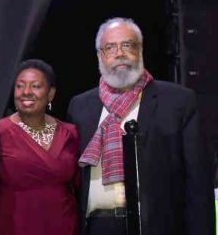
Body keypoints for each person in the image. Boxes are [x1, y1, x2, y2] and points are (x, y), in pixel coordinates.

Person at [66, 17, 215, 235]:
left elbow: (198, 185)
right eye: (110, 47)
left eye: (127, 45)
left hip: (157, 227)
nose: (119, 53)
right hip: (97, 227)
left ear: (141, 50)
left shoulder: (178, 102)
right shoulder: (80, 107)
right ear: (100, 55)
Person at [0, 59, 79, 235]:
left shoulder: (70, 133)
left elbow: (81, 186)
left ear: (50, 94)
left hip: (63, 226)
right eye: (20, 86)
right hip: (13, 226)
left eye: (35, 86)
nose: (26, 92)